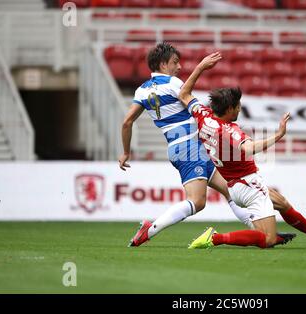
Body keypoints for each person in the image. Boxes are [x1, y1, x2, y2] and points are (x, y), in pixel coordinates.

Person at [118, 42, 293, 247]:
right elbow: (189, 98)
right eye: (175, 62)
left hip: (186, 146)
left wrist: (125, 152)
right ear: (163, 64)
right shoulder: (173, 84)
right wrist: (201, 67)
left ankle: (262, 233)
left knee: (231, 189)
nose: (179, 67)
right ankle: (151, 228)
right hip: (189, 147)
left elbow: (127, 122)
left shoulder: (141, 91)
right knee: (198, 201)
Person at [178, 52, 306, 249]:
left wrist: (200, 67)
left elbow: (184, 94)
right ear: (229, 109)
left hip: (235, 186)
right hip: (248, 184)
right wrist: (278, 135)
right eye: (238, 106)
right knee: (268, 239)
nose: (240, 109)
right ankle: (215, 238)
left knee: (282, 203)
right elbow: (249, 148)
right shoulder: (228, 130)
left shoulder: (203, 115)